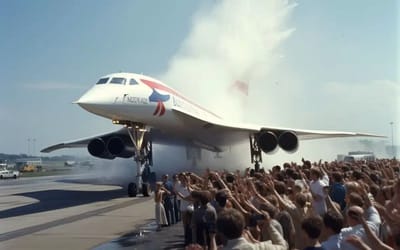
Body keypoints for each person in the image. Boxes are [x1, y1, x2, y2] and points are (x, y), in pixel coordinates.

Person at [216, 208, 288, 250]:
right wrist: (269, 225)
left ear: (220, 233)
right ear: (242, 228)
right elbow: (283, 246)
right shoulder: (260, 248)